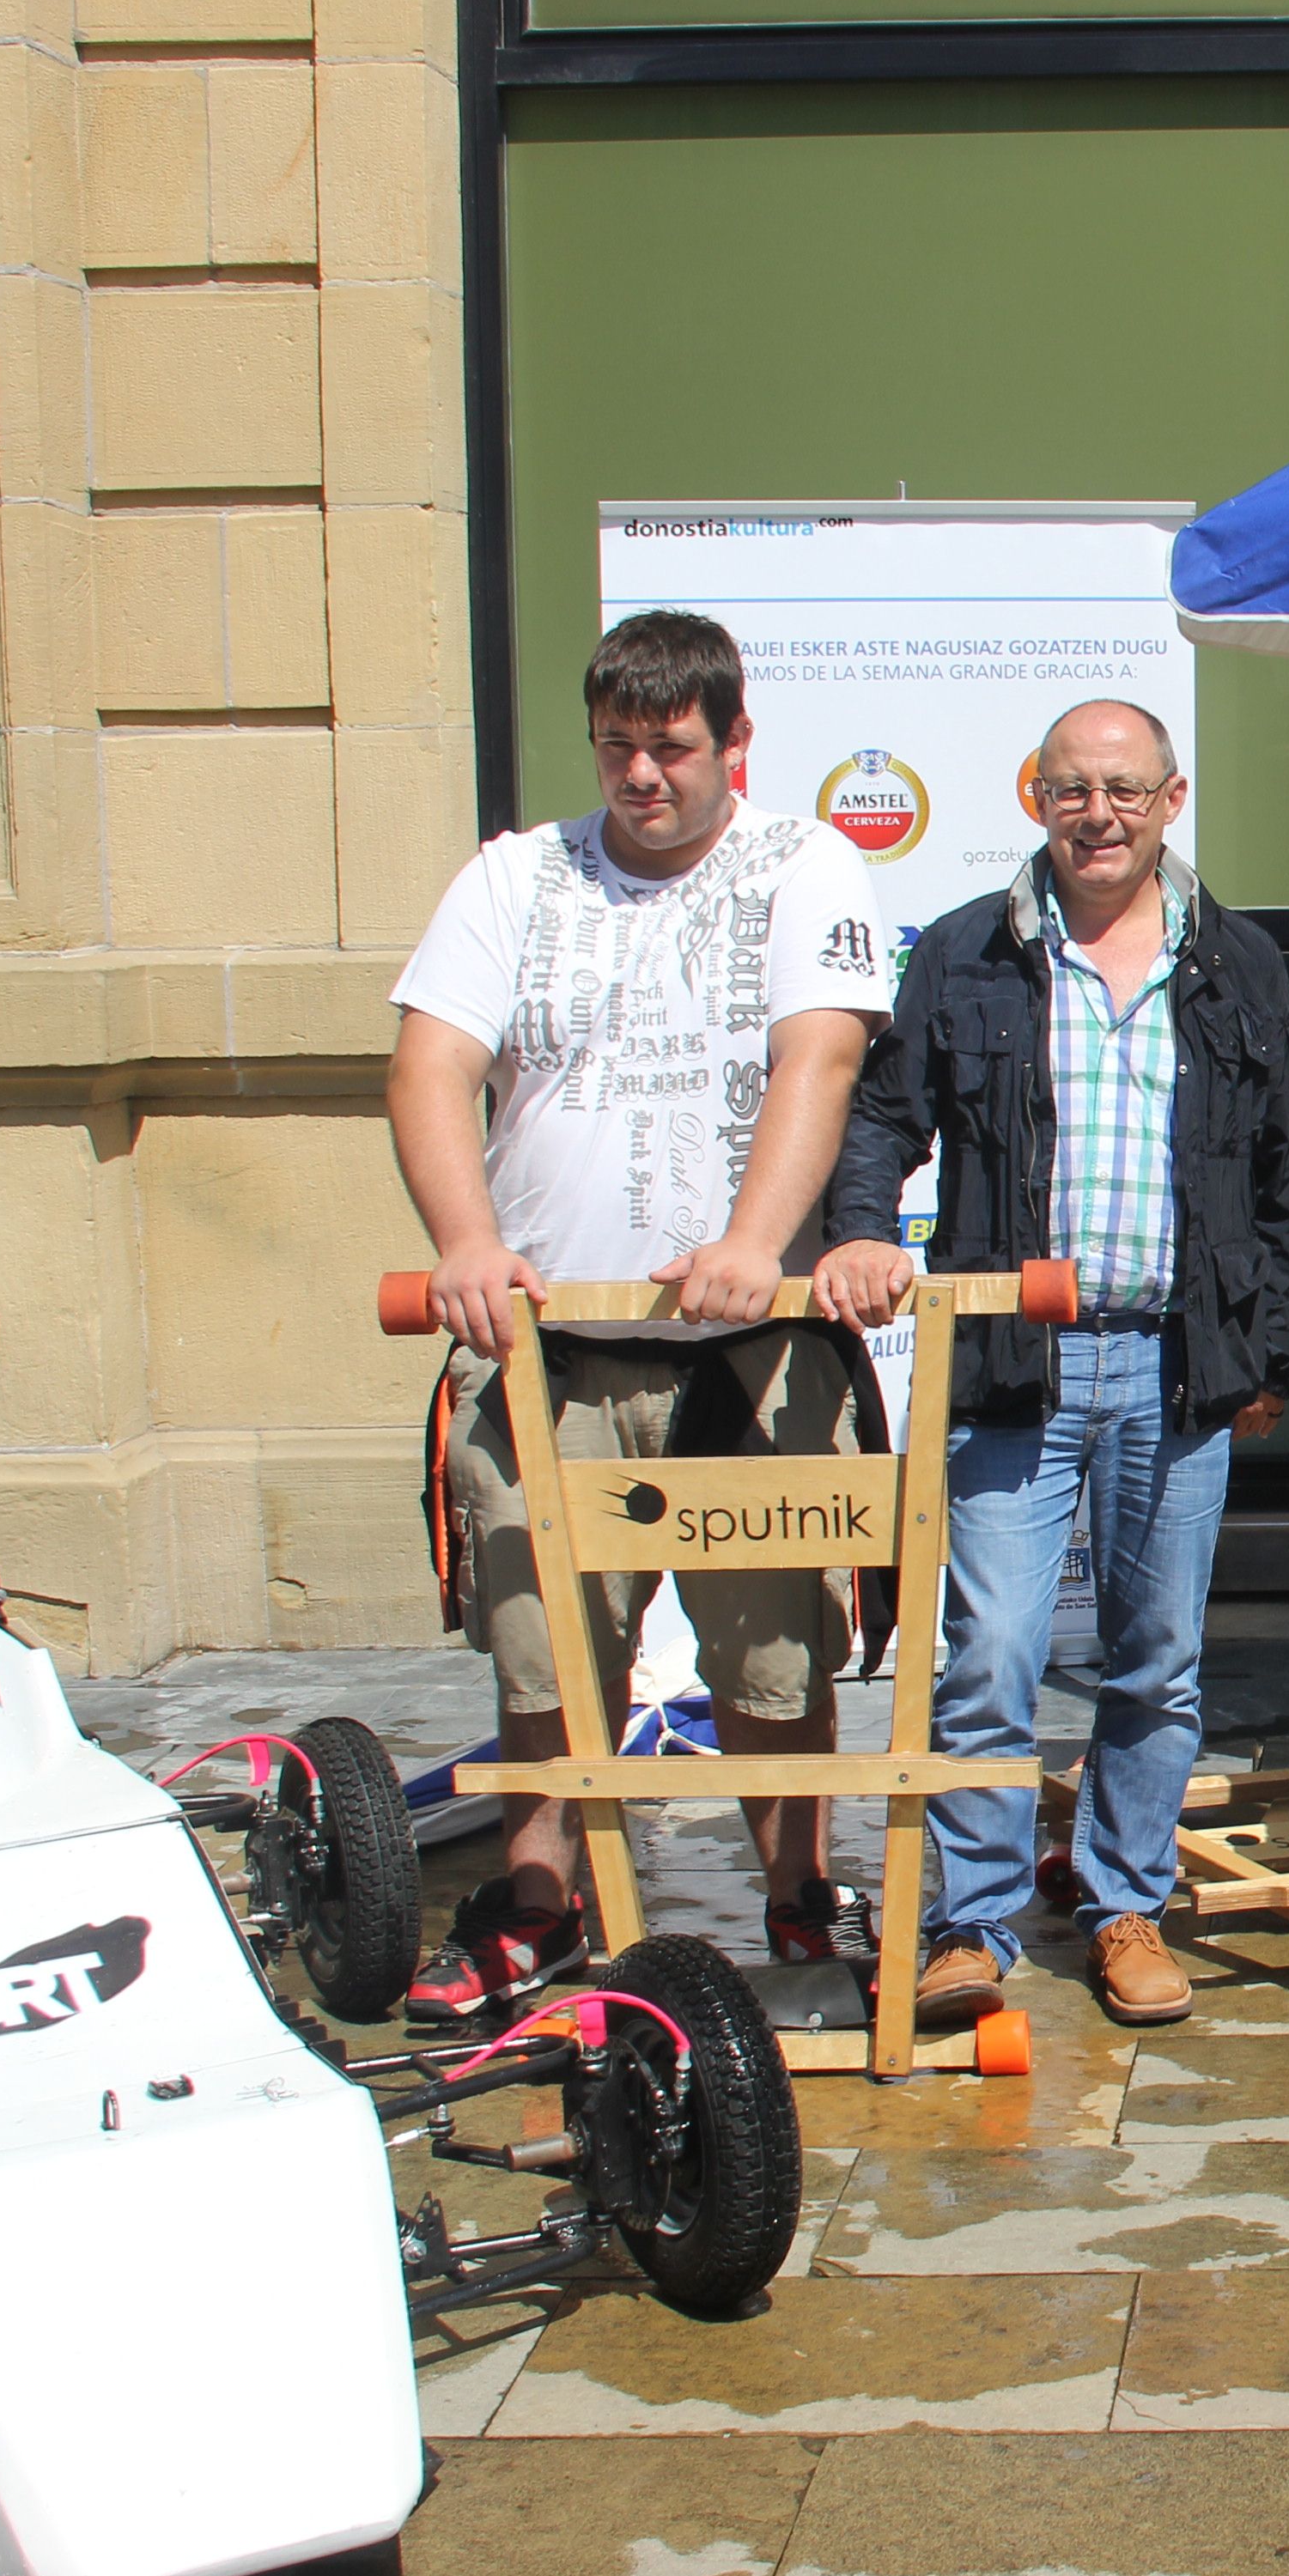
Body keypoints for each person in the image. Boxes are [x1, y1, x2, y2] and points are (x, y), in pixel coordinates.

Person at [385, 610, 895, 2025]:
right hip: (554, 1348)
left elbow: (823, 1053)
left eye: (670, 750)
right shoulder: (513, 878)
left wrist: (748, 1240)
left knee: (773, 1658)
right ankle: (537, 1910)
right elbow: (431, 1069)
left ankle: (798, 1892)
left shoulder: (802, 865)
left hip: (746, 1353)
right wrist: (467, 1244)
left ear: (733, 743)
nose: (641, 779)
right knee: (546, 1649)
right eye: (618, 750)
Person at [815, 700, 1289, 2028]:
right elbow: (882, 1115)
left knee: (1158, 1659)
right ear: (1036, 795)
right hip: (1011, 1365)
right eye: (1074, 788)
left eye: (1127, 790)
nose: (1101, 812)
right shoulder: (969, 955)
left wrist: (1267, 1349)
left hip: (1175, 1365)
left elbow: (1287, 1173)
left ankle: (1125, 1905)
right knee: (989, 1656)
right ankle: (969, 1924)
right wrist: (863, 1230)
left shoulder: (1241, 966)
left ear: (1173, 798)